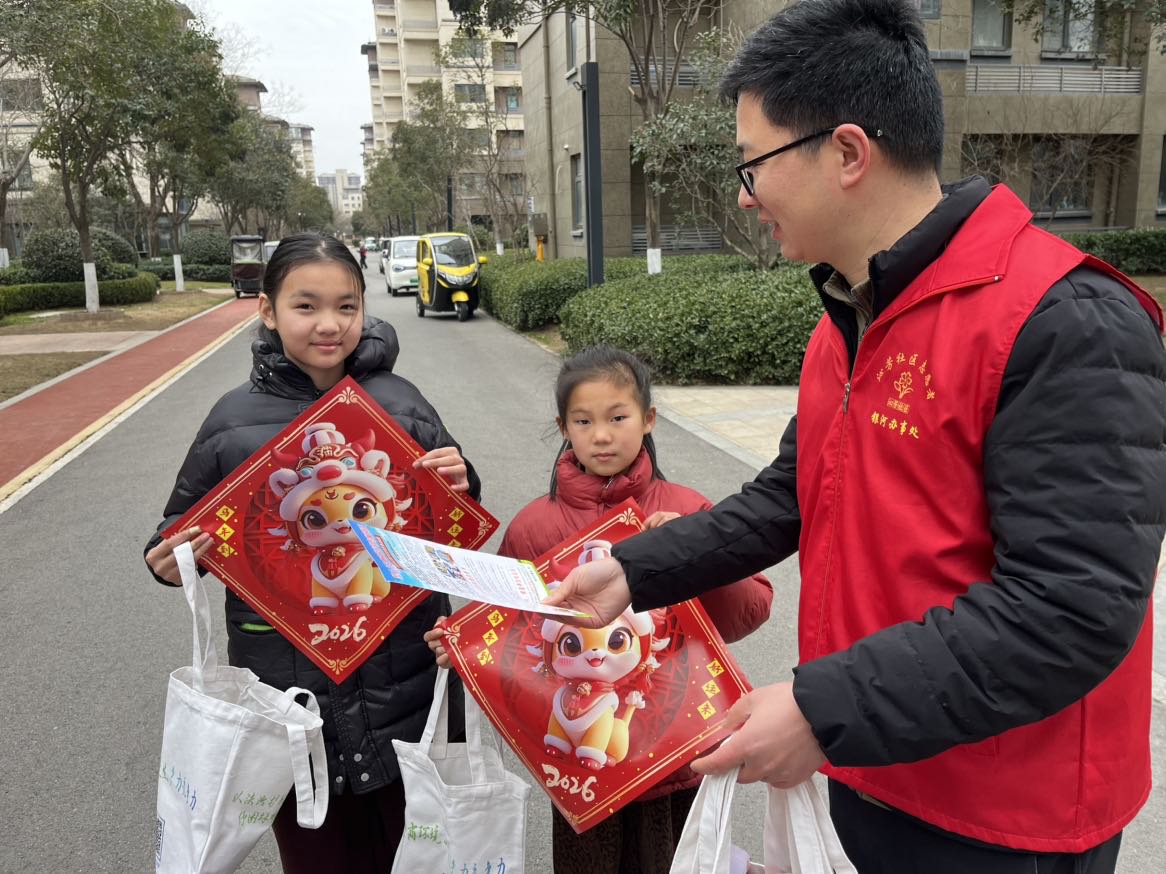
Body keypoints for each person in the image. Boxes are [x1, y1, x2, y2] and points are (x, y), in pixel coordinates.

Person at [543, 2, 1166, 872]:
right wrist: (633, 571)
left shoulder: (1063, 319)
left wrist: (821, 708)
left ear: (846, 152)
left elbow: (1071, 608)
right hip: (869, 762)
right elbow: (790, 495)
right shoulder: (851, 314)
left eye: (752, 164)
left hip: (999, 818)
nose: (743, 194)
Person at [144, 232, 481, 874]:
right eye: (306, 306)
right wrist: (173, 558)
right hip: (289, 699)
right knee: (317, 855)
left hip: (404, 681)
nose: (329, 324)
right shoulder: (230, 422)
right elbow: (176, 529)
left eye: (346, 306)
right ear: (267, 310)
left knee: (420, 852)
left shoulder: (401, 403)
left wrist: (461, 480)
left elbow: (450, 520)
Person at [425, 345, 773, 874]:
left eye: (618, 417)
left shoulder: (686, 511)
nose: (602, 436)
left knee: (675, 861)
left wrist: (694, 550)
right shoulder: (534, 527)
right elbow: (503, 625)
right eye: (584, 421)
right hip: (578, 760)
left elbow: (749, 610)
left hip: (673, 752)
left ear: (648, 418)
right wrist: (460, 644)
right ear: (563, 427)